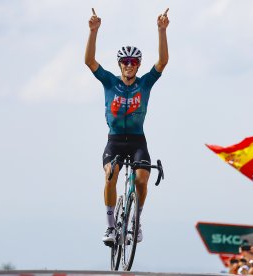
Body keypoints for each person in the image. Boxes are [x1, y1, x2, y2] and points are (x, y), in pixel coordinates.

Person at [84, 8, 169, 245]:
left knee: (142, 180)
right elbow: (89, 61)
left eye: (133, 62)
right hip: (114, 141)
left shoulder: (145, 84)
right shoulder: (110, 81)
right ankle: (111, 227)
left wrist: (161, 31)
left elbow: (162, 62)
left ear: (138, 65)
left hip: (138, 141)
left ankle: (137, 222)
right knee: (110, 175)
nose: (129, 65)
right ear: (120, 65)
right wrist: (93, 31)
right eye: (125, 62)